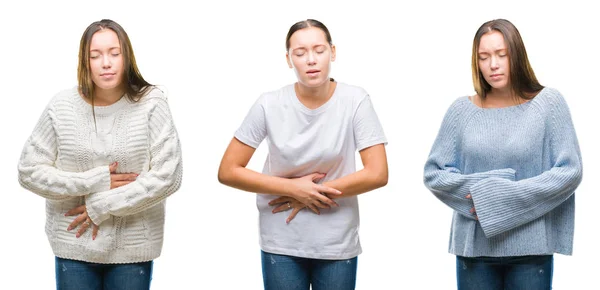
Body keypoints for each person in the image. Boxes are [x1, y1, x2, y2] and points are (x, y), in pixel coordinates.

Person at [218, 19, 388, 290]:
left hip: (336, 239)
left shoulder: (355, 100)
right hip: (281, 237)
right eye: (300, 53)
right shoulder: (269, 103)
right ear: (288, 59)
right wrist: (292, 189)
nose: (311, 60)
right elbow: (228, 170)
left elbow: (378, 173)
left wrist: (314, 192)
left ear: (333, 52)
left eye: (319, 50)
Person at [17, 19, 182, 290]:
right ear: (85, 61)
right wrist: (94, 180)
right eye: (95, 56)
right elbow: (28, 171)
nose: (106, 63)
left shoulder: (152, 103)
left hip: (132, 248)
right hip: (73, 244)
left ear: (127, 56)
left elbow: (169, 176)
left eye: (114, 53)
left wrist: (100, 206)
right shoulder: (62, 106)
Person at [423, 19, 582, 290]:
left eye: (501, 55)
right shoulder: (461, 110)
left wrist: (497, 198)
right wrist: (486, 195)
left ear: (516, 55)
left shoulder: (549, 104)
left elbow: (569, 171)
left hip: (530, 251)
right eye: (483, 57)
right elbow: (434, 173)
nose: (492, 65)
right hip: (474, 251)